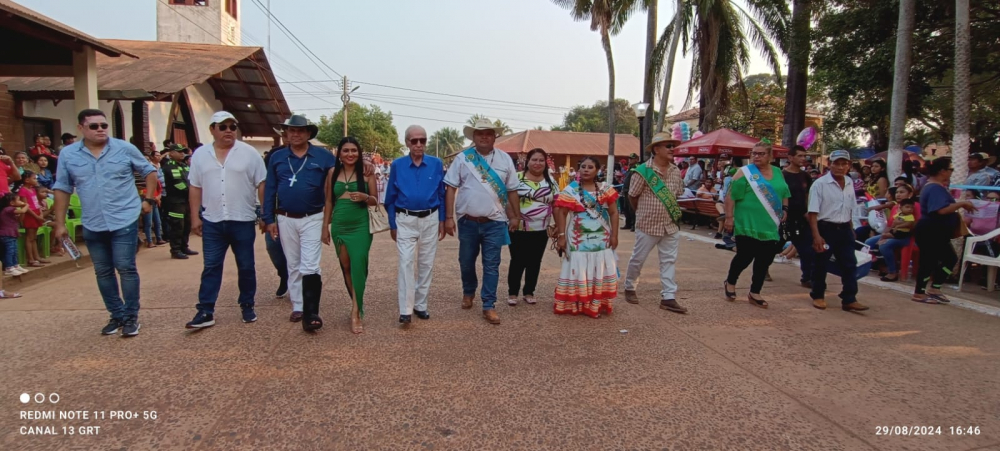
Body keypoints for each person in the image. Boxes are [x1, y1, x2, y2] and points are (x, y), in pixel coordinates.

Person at [51, 109, 157, 337]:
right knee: (102, 271)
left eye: (103, 125)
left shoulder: (124, 148)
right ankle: (116, 315)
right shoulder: (68, 155)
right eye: (94, 126)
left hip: (124, 218)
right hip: (93, 222)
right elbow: (62, 187)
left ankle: (131, 317)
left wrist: (148, 199)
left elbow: (149, 171)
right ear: (81, 128)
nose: (100, 129)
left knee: (125, 267)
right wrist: (59, 223)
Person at [185, 111, 265, 329]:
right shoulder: (200, 155)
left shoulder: (249, 153)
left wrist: (266, 214)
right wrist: (195, 217)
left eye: (232, 126)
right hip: (213, 221)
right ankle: (205, 310)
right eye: (223, 126)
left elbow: (262, 184)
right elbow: (195, 187)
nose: (229, 130)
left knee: (246, 266)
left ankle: (247, 305)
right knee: (211, 266)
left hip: (242, 219)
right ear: (212, 129)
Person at [443, 118, 520, 325]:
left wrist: (515, 216)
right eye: (480, 133)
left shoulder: (505, 160)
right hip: (468, 222)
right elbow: (450, 187)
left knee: (492, 265)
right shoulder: (463, 158)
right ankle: (469, 291)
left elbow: (512, 190)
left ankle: (489, 304)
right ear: (473, 137)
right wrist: (449, 218)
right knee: (466, 262)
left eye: (488, 133)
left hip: (495, 223)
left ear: (495, 136)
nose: (484, 136)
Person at [263, 115, 336, 331]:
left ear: (308, 134)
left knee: (310, 265)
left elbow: (343, 172)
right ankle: (298, 305)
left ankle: (311, 310)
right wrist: (268, 219)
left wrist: (366, 164)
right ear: (286, 133)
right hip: (285, 217)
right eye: (291, 131)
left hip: (313, 217)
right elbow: (270, 190)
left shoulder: (323, 156)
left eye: (300, 131)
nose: (295, 134)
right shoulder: (277, 157)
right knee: (293, 263)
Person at [384, 125, 446, 325]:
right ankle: (405, 309)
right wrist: (393, 223)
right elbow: (390, 197)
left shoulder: (436, 164)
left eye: (423, 140)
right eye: (414, 140)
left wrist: (443, 220)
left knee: (426, 264)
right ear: (407, 143)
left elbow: (442, 195)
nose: (419, 144)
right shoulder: (397, 165)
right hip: (405, 219)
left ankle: (421, 305)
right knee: (405, 263)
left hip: (430, 218)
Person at [623, 133, 687, 313]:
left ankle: (668, 297)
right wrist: (643, 213)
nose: (672, 149)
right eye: (668, 146)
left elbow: (677, 194)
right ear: (656, 149)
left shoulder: (675, 171)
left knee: (669, 261)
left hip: (670, 225)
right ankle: (630, 287)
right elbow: (632, 196)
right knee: (638, 258)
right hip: (648, 225)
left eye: (672, 146)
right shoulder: (642, 171)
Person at [722, 142, 790, 308]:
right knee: (744, 257)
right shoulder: (744, 172)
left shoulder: (777, 172)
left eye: (761, 154)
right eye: (754, 153)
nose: (756, 157)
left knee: (764, 260)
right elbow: (731, 197)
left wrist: (785, 208)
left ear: (770, 156)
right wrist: (729, 218)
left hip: (769, 224)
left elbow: (784, 192)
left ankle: (755, 292)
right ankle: (730, 282)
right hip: (747, 222)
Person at [321, 137, 378, 334]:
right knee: (345, 266)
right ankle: (356, 302)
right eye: (346, 150)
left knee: (358, 266)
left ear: (359, 152)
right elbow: (329, 201)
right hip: (339, 224)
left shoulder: (367, 172)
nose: (350, 154)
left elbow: (375, 201)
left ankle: (355, 312)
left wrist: (365, 197)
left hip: (360, 225)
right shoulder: (332, 172)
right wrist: (324, 227)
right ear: (339, 153)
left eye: (354, 150)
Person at [552, 156, 619, 317]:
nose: (586, 170)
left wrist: (614, 235)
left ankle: (594, 304)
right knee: (578, 268)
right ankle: (578, 304)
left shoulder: (605, 189)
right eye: (583, 167)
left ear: (597, 170)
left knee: (598, 268)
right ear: (579, 169)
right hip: (577, 238)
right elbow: (562, 213)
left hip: (601, 237)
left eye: (590, 167)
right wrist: (561, 236)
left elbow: (614, 212)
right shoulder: (571, 190)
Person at [807, 150, 869, 312]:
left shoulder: (849, 182)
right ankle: (818, 295)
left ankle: (849, 298)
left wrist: (851, 228)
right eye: (837, 163)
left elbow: (850, 208)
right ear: (830, 164)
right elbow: (812, 213)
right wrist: (816, 236)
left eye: (844, 164)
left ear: (848, 165)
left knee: (849, 264)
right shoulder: (820, 184)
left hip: (844, 229)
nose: (840, 167)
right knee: (821, 263)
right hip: (825, 228)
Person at [912, 157, 978, 304]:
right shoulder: (934, 188)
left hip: (937, 231)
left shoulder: (937, 187)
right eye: (950, 169)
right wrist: (961, 204)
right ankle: (919, 292)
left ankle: (935, 288)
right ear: (942, 171)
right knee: (928, 261)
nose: (951, 172)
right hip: (931, 230)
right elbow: (940, 210)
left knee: (949, 258)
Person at [507, 147, 556, 306]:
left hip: (541, 228)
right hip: (518, 228)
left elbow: (557, 204)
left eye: (541, 160)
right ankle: (513, 292)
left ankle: (529, 291)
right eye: (534, 160)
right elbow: (507, 199)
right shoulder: (516, 177)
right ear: (527, 162)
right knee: (517, 260)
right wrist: (513, 217)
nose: (537, 163)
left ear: (545, 163)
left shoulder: (550, 180)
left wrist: (556, 225)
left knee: (535, 261)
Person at [863, 184, 919, 282]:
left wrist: (900, 225)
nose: (898, 195)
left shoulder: (915, 206)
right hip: (893, 234)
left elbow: (916, 224)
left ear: (910, 194)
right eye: (897, 192)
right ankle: (882, 265)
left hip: (906, 236)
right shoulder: (895, 207)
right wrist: (883, 236)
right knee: (869, 242)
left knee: (885, 246)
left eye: (902, 192)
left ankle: (893, 272)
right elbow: (889, 225)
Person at [783, 145, 815, 288]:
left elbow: (808, 196)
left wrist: (809, 212)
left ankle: (806, 277)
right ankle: (763, 270)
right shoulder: (781, 175)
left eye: (804, 156)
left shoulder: (806, 176)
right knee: (773, 246)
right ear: (790, 158)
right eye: (800, 156)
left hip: (801, 218)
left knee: (807, 249)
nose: (803, 158)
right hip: (784, 217)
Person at [161, 144, 195, 259]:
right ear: (171, 153)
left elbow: (192, 181)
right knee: (177, 226)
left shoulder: (185, 166)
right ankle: (175, 250)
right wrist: (192, 193)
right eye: (179, 151)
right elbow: (178, 184)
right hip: (175, 202)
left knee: (187, 225)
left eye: (183, 152)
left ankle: (184, 247)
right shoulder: (169, 167)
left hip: (186, 201)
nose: (182, 153)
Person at [0, 192, 28, 276]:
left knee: (14, 250)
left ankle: (15, 265)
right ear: (12, 203)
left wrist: (23, 207)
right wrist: (26, 205)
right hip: (6, 234)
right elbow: (23, 210)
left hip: (12, 233)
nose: (20, 201)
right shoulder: (8, 209)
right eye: (18, 200)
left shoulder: (10, 210)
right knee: (10, 251)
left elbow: (20, 218)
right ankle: (9, 267)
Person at [620, 153, 640, 230]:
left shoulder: (637, 167)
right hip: (626, 189)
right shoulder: (630, 167)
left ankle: (633, 225)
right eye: (629, 158)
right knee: (626, 208)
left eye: (632, 159)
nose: (630, 160)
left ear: (636, 159)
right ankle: (628, 224)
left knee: (632, 209)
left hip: (632, 190)